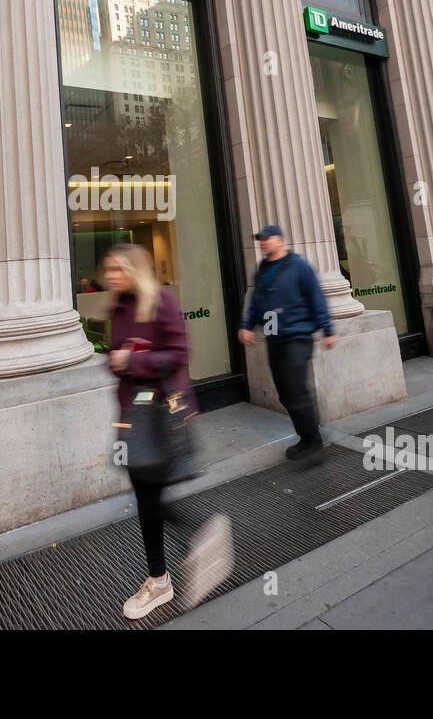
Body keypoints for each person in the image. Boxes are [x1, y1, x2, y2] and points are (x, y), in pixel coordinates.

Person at [103, 243, 229, 619]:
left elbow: (178, 353)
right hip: (133, 415)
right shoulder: (120, 307)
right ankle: (180, 557)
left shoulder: (160, 302)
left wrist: (133, 359)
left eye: (117, 269)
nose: (109, 276)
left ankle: (166, 574)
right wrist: (119, 362)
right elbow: (115, 360)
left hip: (158, 415)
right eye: (108, 269)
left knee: (148, 496)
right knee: (147, 496)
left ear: (134, 270)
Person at [237, 224, 335, 466]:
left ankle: (314, 444)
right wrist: (246, 325)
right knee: (285, 393)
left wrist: (328, 330)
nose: (263, 242)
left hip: (297, 337)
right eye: (260, 239)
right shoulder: (261, 272)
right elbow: (256, 303)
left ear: (280, 240)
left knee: (296, 390)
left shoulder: (298, 266)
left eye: (267, 238)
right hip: (274, 339)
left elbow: (316, 298)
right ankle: (305, 438)